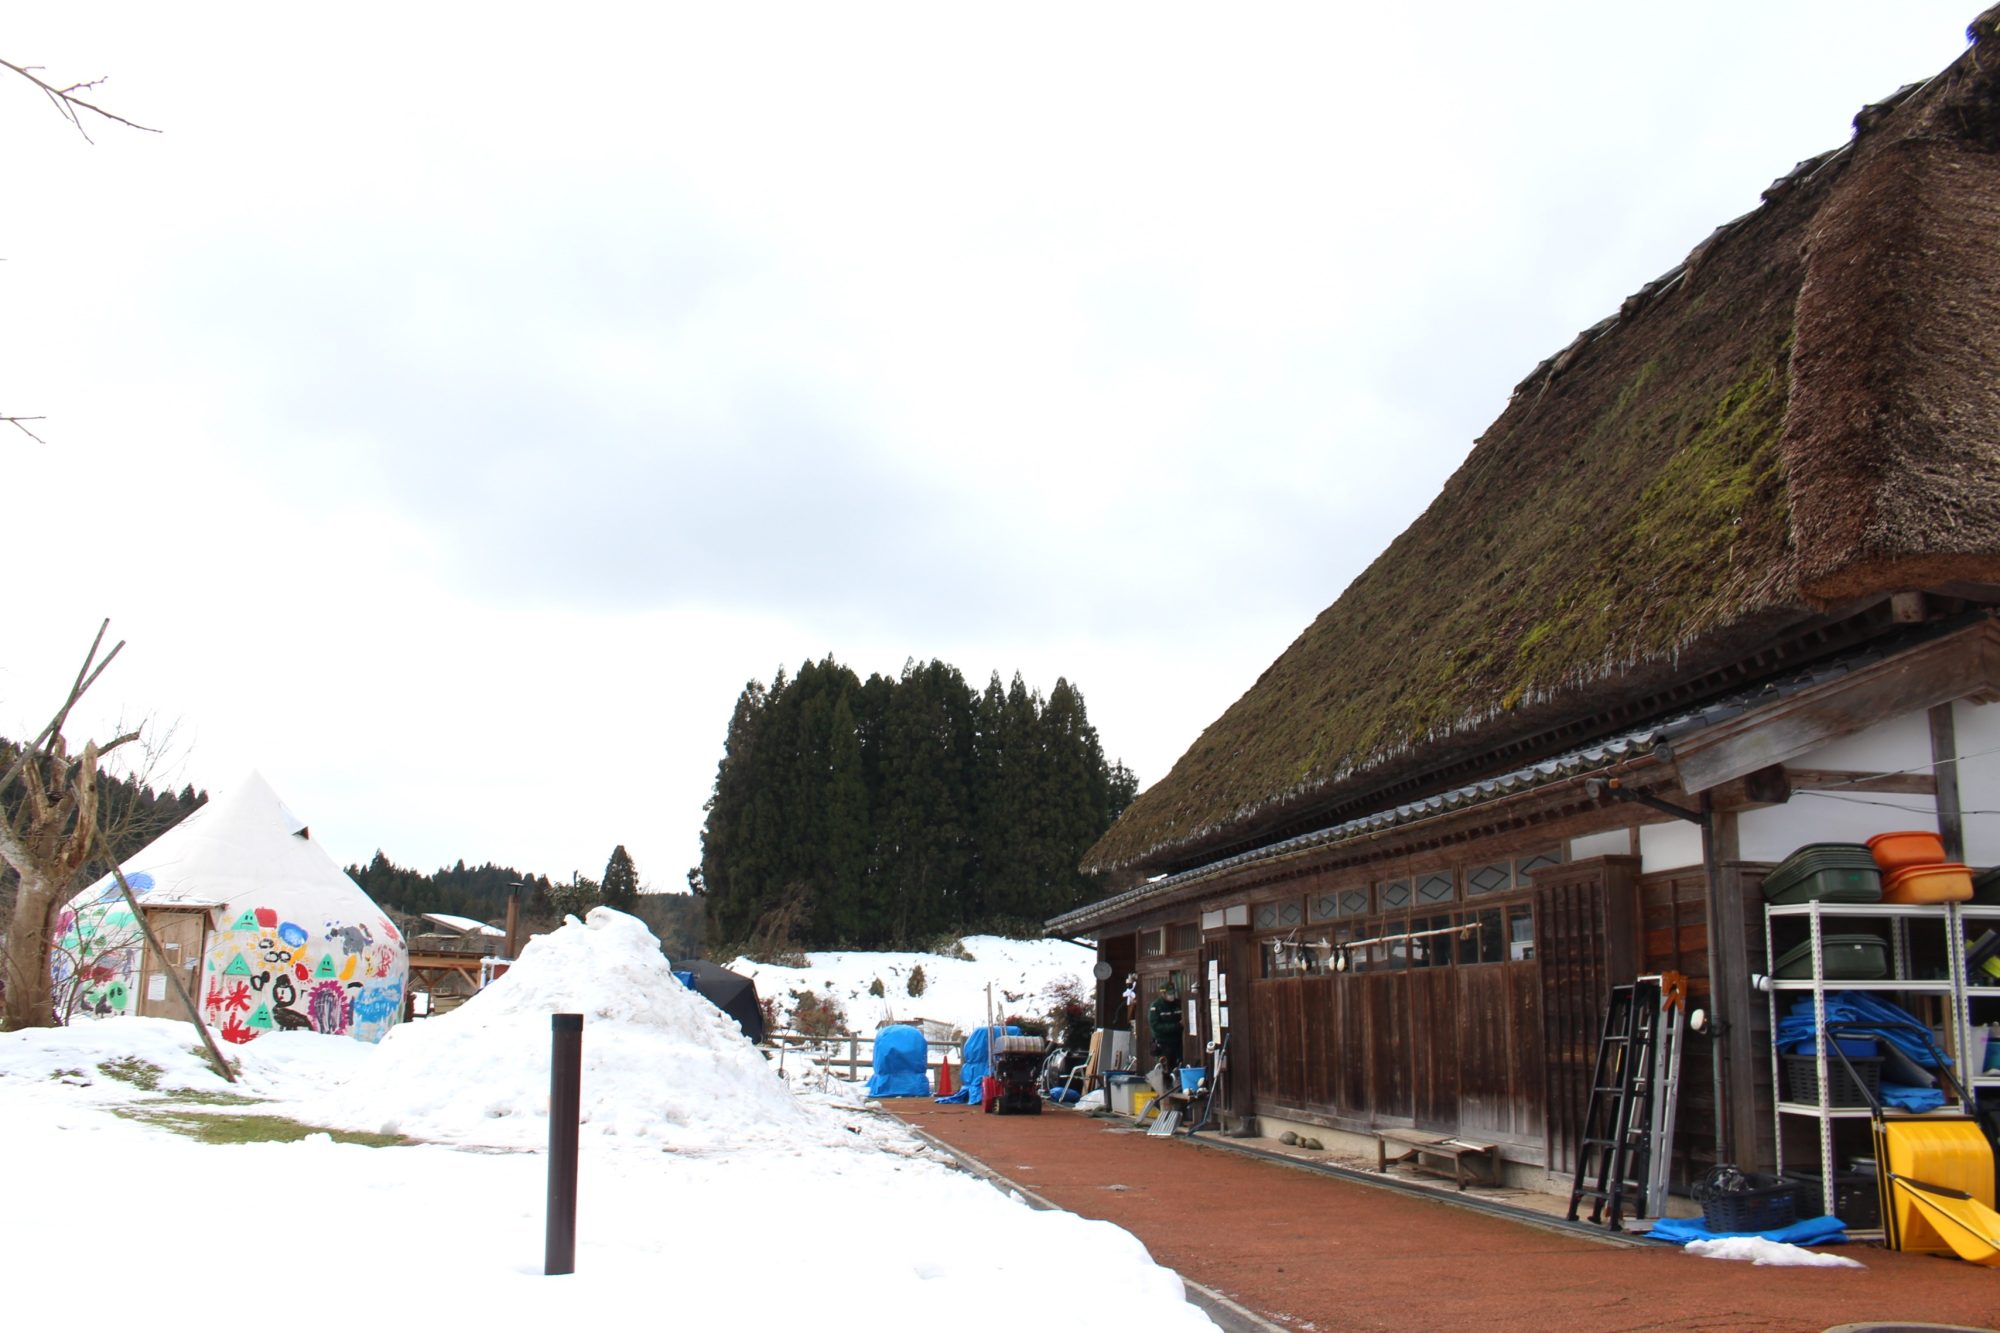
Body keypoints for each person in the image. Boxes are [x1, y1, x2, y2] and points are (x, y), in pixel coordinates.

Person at [1147, 981, 1184, 1071]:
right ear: (1163, 993)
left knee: (1177, 1068)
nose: (1172, 995)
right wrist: (1176, 1026)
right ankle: (1161, 1084)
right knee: (1164, 1069)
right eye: (1169, 993)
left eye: (1173, 993)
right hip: (1163, 1044)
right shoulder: (1156, 1006)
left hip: (1177, 1042)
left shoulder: (1178, 1004)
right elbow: (1155, 1026)